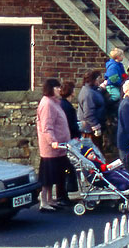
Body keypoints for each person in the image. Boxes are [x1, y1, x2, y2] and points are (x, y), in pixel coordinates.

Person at [35, 77, 72, 212]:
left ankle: (51, 200)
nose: (59, 90)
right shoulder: (47, 104)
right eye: (56, 87)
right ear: (50, 89)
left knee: (55, 175)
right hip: (51, 148)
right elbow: (47, 126)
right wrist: (52, 142)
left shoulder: (55, 102)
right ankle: (44, 202)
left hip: (60, 147)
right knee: (47, 176)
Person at [77, 70, 106, 146]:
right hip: (89, 130)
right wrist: (96, 127)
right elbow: (88, 114)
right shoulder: (88, 94)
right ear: (94, 80)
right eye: (98, 79)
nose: (99, 81)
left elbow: (97, 92)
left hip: (90, 128)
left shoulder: (91, 90)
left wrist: (102, 88)